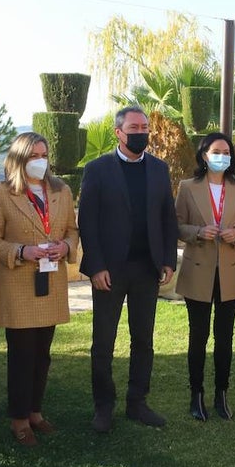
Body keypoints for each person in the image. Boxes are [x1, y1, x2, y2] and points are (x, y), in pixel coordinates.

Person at [78, 105, 178, 433]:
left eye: (145, 127)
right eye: (134, 127)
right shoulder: (97, 169)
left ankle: (137, 403)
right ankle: (103, 407)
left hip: (146, 268)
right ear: (118, 132)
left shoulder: (159, 169)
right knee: (103, 341)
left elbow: (167, 217)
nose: (141, 133)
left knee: (143, 340)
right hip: (109, 271)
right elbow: (87, 223)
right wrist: (96, 267)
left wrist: (167, 259)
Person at [0, 132, 78, 446]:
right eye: (33, 156)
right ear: (19, 159)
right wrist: (22, 251)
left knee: (43, 354)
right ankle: (19, 419)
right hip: (18, 285)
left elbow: (72, 230)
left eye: (43, 154)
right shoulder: (0, 194)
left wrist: (64, 247)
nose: (40, 161)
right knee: (22, 355)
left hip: (50, 282)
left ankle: (36, 411)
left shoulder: (61, 190)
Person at [175, 132, 235, 421]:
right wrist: (197, 232)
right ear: (204, 155)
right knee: (198, 336)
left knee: (225, 337)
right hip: (199, 270)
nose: (222, 156)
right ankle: (196, 395)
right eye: (216, 151)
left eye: (226, 151)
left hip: (230, 272)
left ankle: (222, 393)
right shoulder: (187, 187)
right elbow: (177, 224)